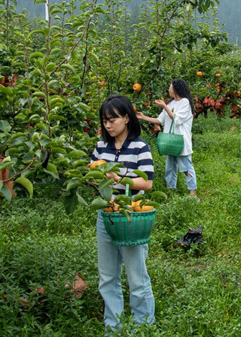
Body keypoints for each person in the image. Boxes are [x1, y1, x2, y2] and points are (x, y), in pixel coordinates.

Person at [89, 94, 155, 333]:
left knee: (137, 277)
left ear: (127, 118)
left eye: (113, 119)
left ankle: (143, 325)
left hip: (130, 215)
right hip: (106, 216)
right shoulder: (100, 146)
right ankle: (113, 326)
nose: (108, 125)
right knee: (107, 276)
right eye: (105, 120)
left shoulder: (140, 147)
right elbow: (93, 175)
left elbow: (146, 183)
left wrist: (117, 177)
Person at [137, 79, 197, 197]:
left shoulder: (184, 102)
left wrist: (164, 106)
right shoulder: (170, 104)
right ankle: (171, 190)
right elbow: (159, 120)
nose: (168, 89)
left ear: (176, 89)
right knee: (170, 168)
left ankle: (192, 192)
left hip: (181, 141)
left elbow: (177, 119)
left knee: (186, 167)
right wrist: (143, 117)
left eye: (170, 87)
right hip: (170, 141)